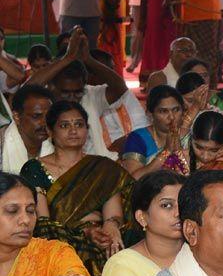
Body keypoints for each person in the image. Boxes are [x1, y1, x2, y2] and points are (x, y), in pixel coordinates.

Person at [22, 100, 134, 276]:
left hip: (102, 237)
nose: (73, 130)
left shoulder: (103, 167)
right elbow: (44, 223)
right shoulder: (35, 168)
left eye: (79, 125)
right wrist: (85, 233)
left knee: (123, 241)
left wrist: (111, 226)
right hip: (60, 239)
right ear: (50, 132)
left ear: (87, 130)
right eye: (65, 125)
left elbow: (113, 214)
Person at [30, 29, 147, 162]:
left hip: (94, 164)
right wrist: (67, 58)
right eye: (65, 93)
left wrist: (88, 59)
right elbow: (27, 90)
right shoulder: (45, 101)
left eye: (77, 92)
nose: (72, 98)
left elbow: (119, 87)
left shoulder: (90, 95)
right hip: (54, 166)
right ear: (51, 87)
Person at [94, 170, 185, 276]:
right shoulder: (124, 265)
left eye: (182, 204)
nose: (178, 213)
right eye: (166, 205)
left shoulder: (198, 256)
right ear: (141, 217)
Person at [121, 85, 185, 180]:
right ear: (150, 114)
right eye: (163, 111)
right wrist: (166, 152)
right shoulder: (138, 138)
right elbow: (133, 179)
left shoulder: (190, 136)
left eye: (176, 110)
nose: (171, 117)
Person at [0, 84, 52, 174]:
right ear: (17, 117)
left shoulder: (59, 142)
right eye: (36, 116)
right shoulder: (2, 143)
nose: (45, 123)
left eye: (49, 116)